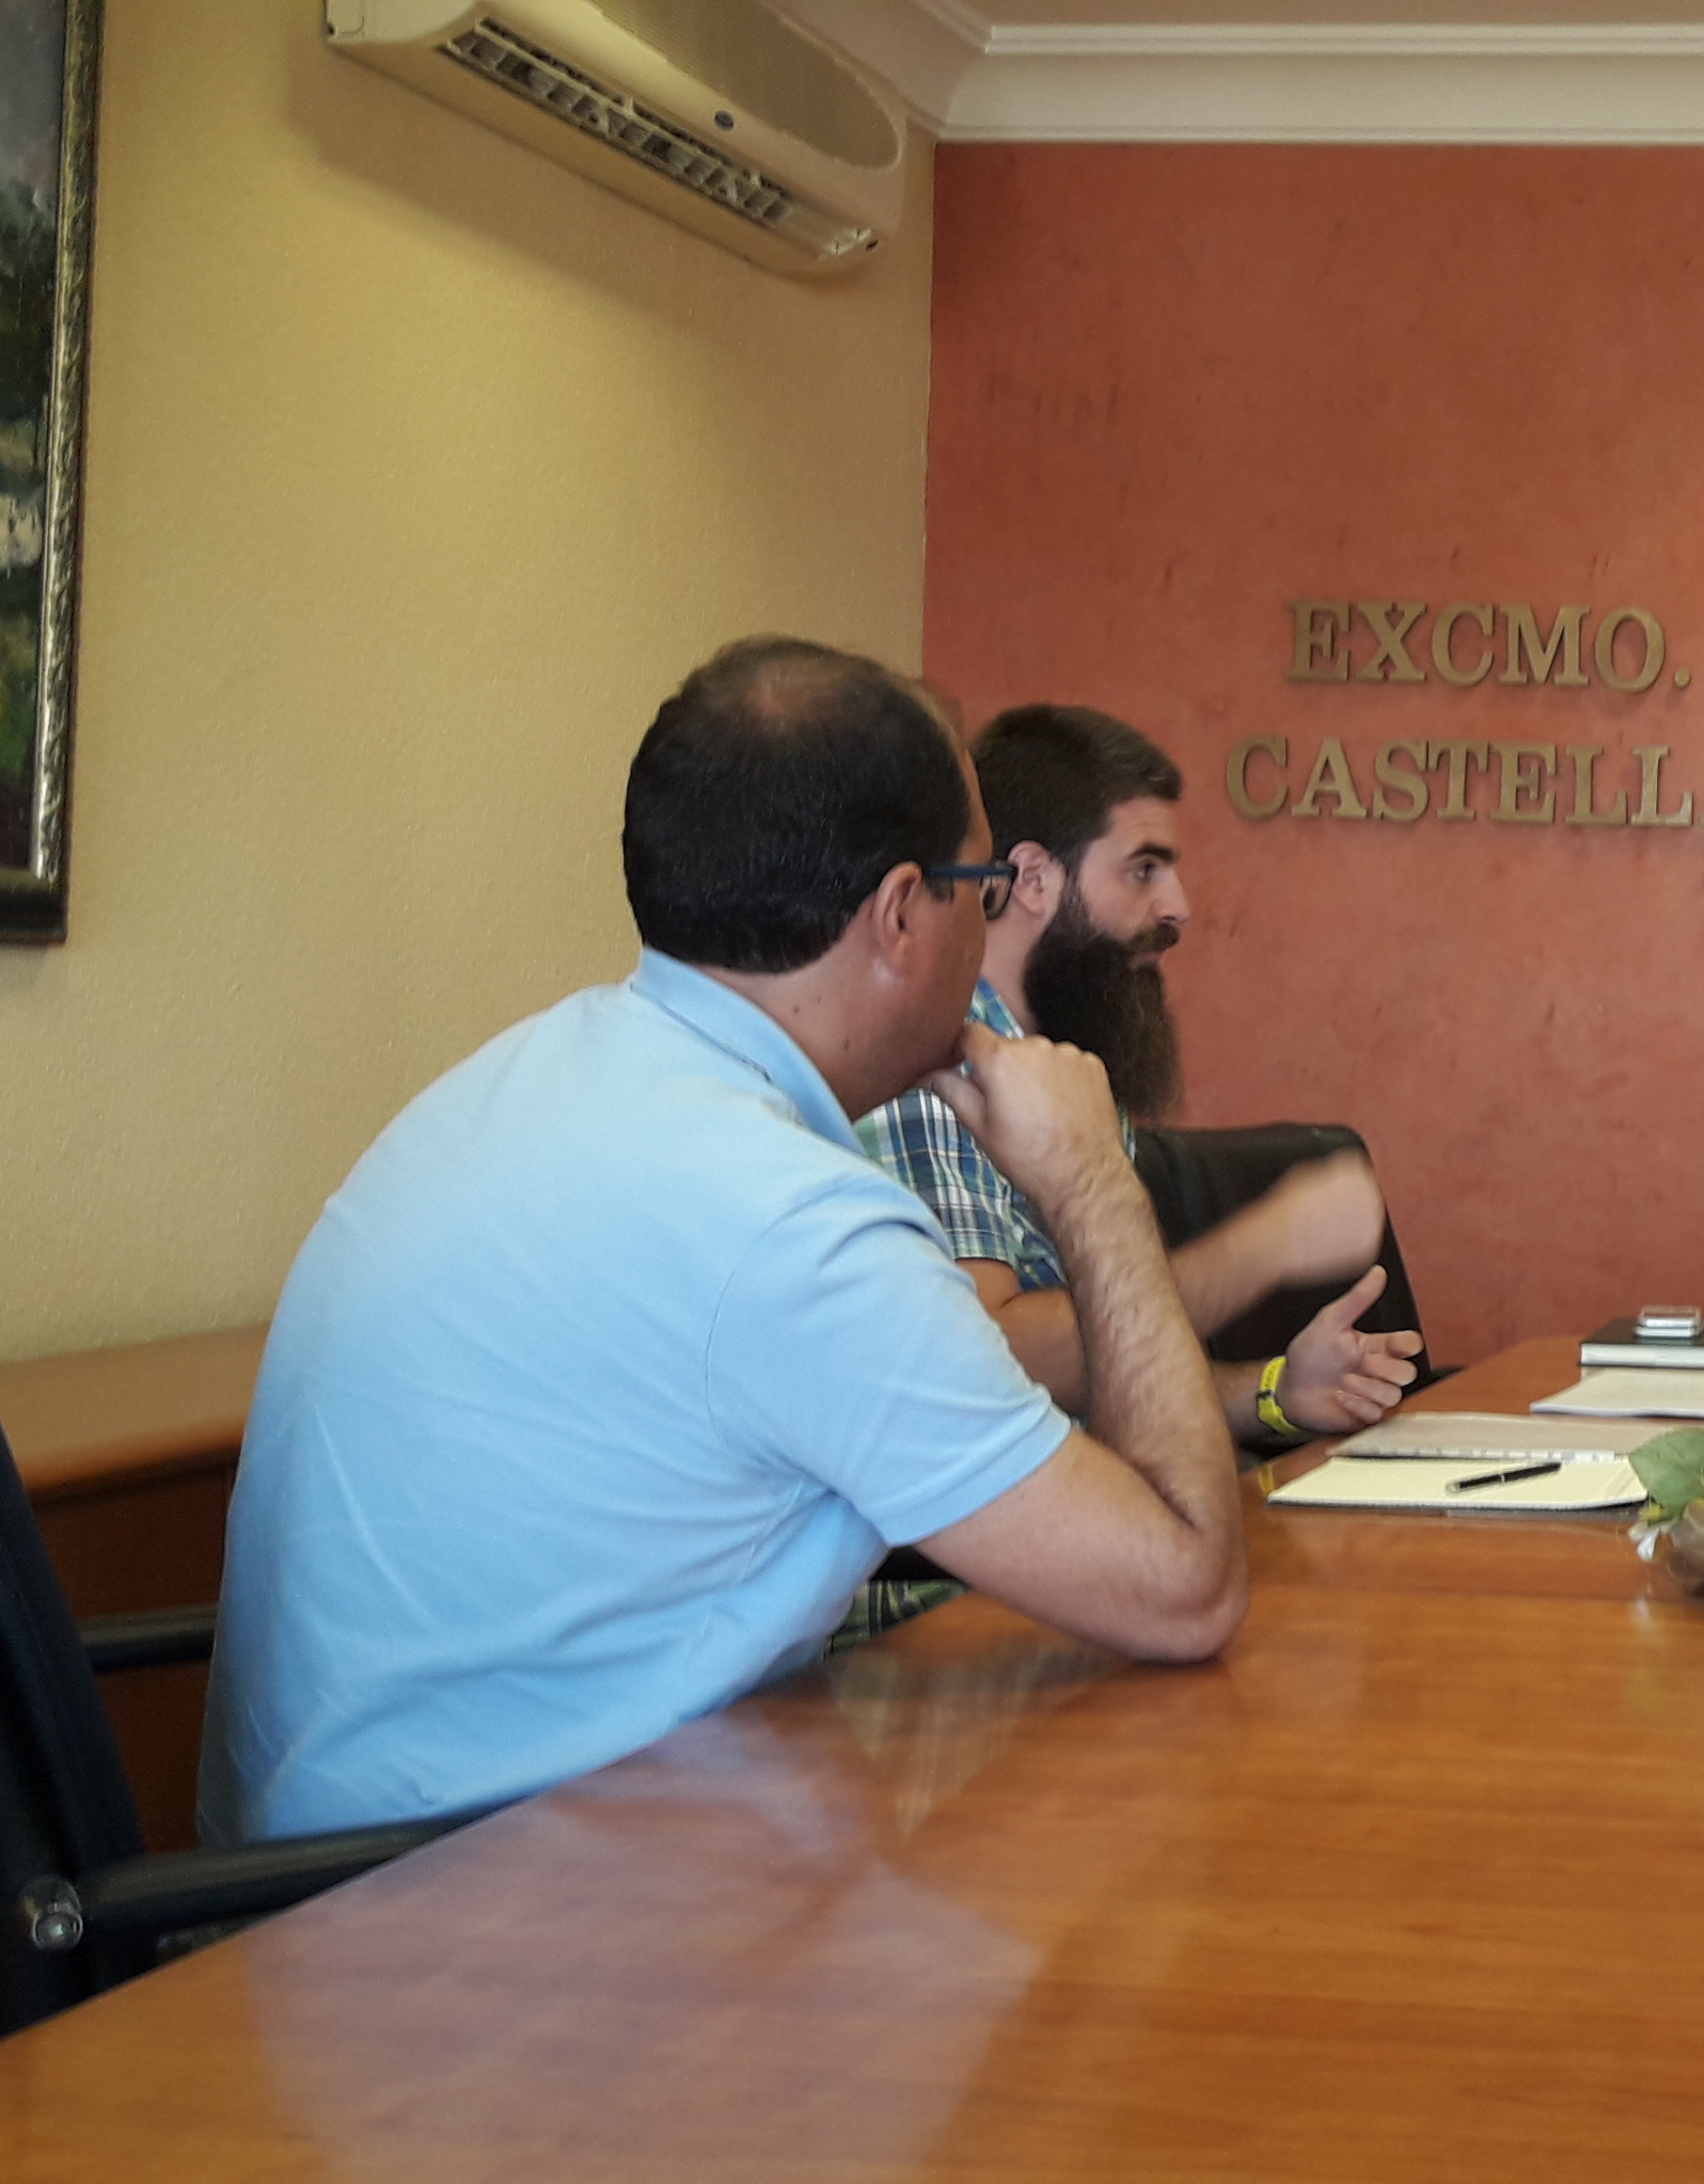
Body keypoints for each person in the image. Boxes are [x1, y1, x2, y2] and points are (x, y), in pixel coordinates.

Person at [200, 638, 1364, 1841]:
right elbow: (1182, 1590)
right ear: (903, 914)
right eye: (975, 890)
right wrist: (1093, 1190)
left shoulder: (531, 1077)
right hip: (469, 1921)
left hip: (361, 1866)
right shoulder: (790, 1221)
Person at [856, 703, 1417, 1443]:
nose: (1177, 908)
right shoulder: (933, 1077)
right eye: (1142, 869)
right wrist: (1266, 1245)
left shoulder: (1068, 1070)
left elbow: (1109, 1379)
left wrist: (1275, 1389)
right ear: (1030, 879)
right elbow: (989, 1359)